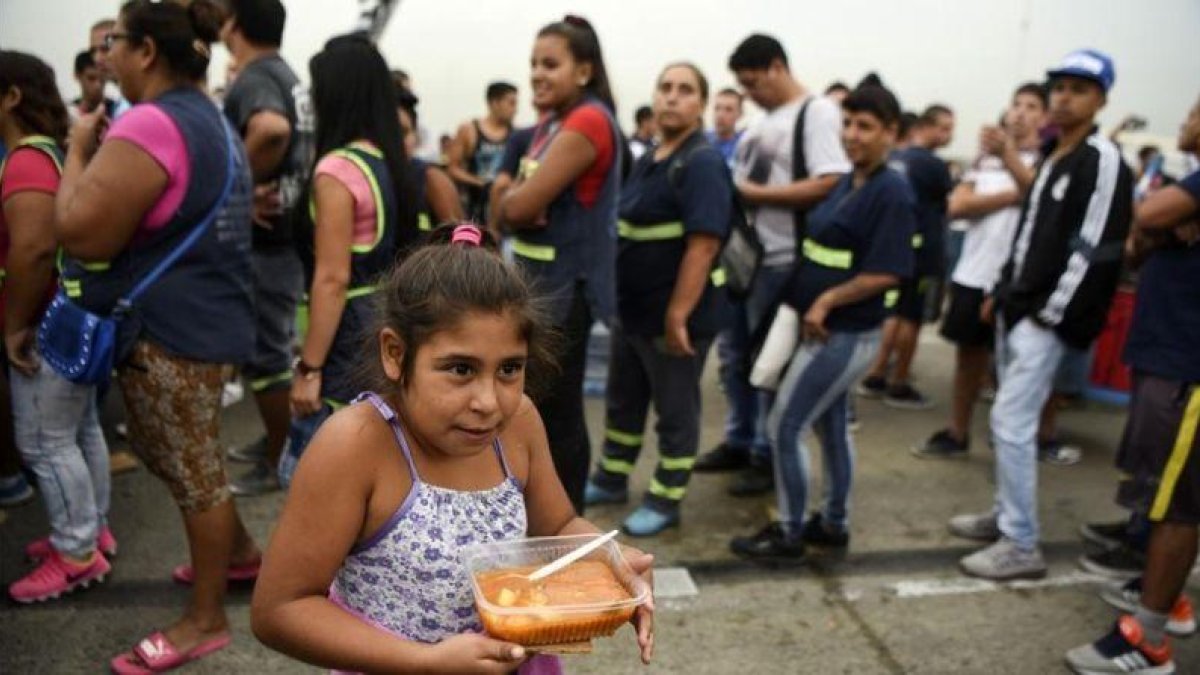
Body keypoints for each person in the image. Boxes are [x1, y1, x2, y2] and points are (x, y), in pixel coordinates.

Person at [250, 223, 655, 673]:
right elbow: (280, 609)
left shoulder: (517, 421)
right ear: (395, 353)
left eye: (509, 369)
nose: (488, 402)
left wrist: (610, 562)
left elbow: (558, 524)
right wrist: (424, 661)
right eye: (460, 369)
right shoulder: (356, 445)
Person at [52, 1, 262, 669]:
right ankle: (239, 555)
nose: (104, 55)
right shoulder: (211, 119)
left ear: (146, 52)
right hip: (212, 317)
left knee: (195, 472)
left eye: (114, 42)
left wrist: (80, 150)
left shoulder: (150, 120)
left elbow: (81, 234)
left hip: (169, 329)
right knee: (180, 452)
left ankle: (203, 620)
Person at [951, 49, 1133, 581]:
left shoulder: (1100, 159)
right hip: (1018, 305)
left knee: (1011, 420)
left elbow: (1096, 247)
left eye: (1079, 88)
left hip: (1044, 317)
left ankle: (1021, 542)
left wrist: (1050, 315)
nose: (1064, 96)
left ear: (1100, 99)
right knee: (1009, 421)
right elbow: (1030, 233)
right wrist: (1004, 291)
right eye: (1060, 86)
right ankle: (1007, 515)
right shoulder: (1054, 154)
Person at [730, 83, 914, 560]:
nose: (853, 135)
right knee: (831, 430)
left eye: (866, 126)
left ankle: (789, 530)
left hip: (844, 333)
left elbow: (887, 270)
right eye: (848, 124)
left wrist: (826, 300)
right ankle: (833, 522)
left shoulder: (891, 192)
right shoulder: (850, 181)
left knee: (784, 425)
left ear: (891, 132)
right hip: (819, 325)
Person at [1064, 93, 1200, 675]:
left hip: (1188, 367)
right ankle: (1168, 600)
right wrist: (1162, 225)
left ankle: (1149, 638)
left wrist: (1158, 220)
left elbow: (1142, 219)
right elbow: (1143, 237)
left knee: (1179, 504)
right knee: (1164, 494)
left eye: (1195, 112)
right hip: (1168, 356)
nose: (1185, 119)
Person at [692, 33, 849, 498]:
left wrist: (754, 195)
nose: (750, 94)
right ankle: (740, 439)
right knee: (735, 358)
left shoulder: (816, 113)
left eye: (754, 83)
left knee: (768, 363)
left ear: (778, 67)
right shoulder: (763, 121)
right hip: (746, 261)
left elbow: (830, 181)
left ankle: (765, 451)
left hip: (784, 262)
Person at [583, 63, 732, 536]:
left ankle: (666, 497)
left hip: (675, 318)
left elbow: (704, 244)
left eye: (685, 90)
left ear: (700, 105)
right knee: (624, 403)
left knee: (675, 409)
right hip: (634, 311)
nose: (672, 97)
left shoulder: (702, 162)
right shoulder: (651, 155)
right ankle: (611, 477)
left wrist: (678, 314)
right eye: (665, 87)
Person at [1, 50, 115, 603]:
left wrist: (13, 325)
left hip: (43, 324)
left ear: (12, 96)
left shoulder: (25, 160)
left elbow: (33, 247)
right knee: (80, 430)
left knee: (45, 442)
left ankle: (76, 552)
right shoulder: (55, 153)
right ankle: (92, 529)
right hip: (72, 317)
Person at [495, 15, 623, 513]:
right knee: (541, 410)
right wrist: (511, 199)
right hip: (537, 288)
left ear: (584, 71)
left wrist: (511, 197)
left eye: (551, 64)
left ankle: (565, 527)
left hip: (566, 293)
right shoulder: (549, 124)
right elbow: (507, 208)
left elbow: (517, 209)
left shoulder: (588, 121)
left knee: (558, 414)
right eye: (533, 64)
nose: (537, 75)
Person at [284, 34, 420, 485]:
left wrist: (309, 369)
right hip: (386, 322)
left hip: (345, 339)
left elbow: (331, 279)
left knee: (324, 472)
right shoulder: (386, 162)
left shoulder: (336, 170)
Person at [915, 84, 1044, 458]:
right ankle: (957, 432)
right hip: (975, 272)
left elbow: (1038, 197)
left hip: (1019, 279)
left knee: (1018, 364)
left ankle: (1017, 440)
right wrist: (1009, 196)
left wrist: (1011, 168)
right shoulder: (985, 160)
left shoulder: (1048, 159)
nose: (1020, 112)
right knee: (968, 356)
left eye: (1031, 106)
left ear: (1044, 117)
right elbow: (957, 206)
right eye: (1016, 104)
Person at [219, 0, 310, 496]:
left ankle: (279, 455)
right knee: (271, 348)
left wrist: (232, 189)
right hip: (288, 234)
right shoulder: (286, 73)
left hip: (267, 241)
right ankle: (275, 439)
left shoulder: (254, 76)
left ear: (234, 24)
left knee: (266, 354)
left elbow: (271, 130)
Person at [858, 104, 954, 409]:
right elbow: (949, 203)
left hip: (897, 248)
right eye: (945, 128)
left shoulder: (895, 160)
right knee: (912, 317)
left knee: (894, 314)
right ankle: (899, 381)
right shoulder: (933, 166)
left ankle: (876, 373)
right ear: (926, 126)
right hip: (924, 251)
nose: (948, 135)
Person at [446, 81, 517, 222]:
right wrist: (480, 182)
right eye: (511, 103)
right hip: (474, 208)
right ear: (495, 103)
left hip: (503, 210)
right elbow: (452, 168)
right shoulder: (470, 130)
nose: (515, 109)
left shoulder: (515, 134)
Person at [69, 50, 117, 123]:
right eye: (91, 78)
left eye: (102, 79)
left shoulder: (118, 111)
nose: (98, 85)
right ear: (77, 75)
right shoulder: (68, 114)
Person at [706, 87, 743, 169]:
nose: (720, 115)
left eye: (728, 110)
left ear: (740, 114)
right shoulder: (701, 141)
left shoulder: (743, 145)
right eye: (717, 108)